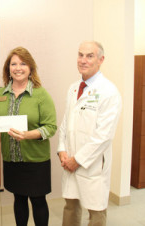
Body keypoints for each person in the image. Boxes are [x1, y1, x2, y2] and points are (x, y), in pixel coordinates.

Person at [57, 41, 122, 226]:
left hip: (92, 165)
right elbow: (65, 124)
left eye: (89, 56)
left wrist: (77, 160)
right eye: (80, 55)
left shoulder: (109, 91)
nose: (83, 60)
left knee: (96, 213)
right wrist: (62, 150)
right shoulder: (73, 88)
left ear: (101, 60)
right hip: (69, 161)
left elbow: (104, 136)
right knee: (70, 207)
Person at [0, 47, 57, 226]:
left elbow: (51, 127)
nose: (18, 68)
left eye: (23, 63)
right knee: (18, 200)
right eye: (13, 64)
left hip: (36, 160)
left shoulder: (40, 94)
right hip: (12, 159)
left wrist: (28, 135)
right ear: (8, 68)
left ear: (30, 68)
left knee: (38, 201)